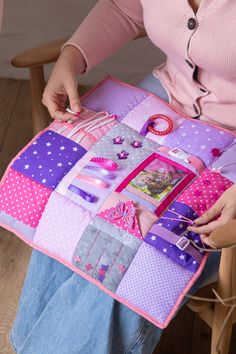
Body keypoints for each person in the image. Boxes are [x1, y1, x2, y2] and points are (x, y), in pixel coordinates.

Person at [10, 1, 236, 353]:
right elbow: (123, 6)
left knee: (136, 248)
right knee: (67, 196)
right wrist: (72, 56)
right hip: (160, 101)